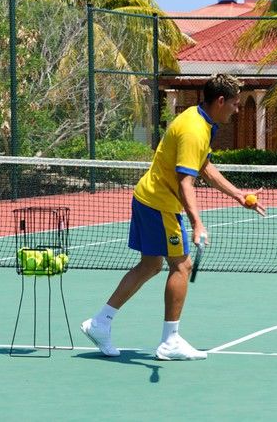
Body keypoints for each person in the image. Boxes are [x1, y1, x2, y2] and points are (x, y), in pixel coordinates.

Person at [81, 74, 266, 360]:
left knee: (150, 265)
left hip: (147, 197)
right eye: (235, 104)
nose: (237, 110)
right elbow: (184, 182)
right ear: (220, 101)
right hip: (161, 205)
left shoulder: (200, 119)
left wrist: (238, 195)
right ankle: (170, 341)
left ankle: (99, 323)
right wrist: (197, 222)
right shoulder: (194, 129)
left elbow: (203, 166)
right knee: (182, 266)